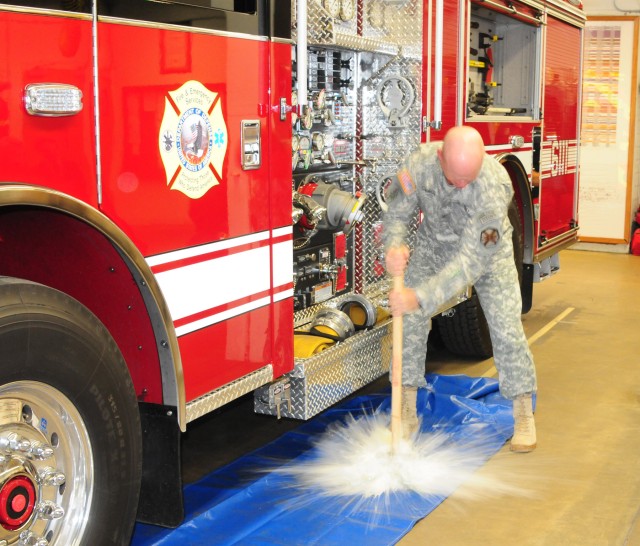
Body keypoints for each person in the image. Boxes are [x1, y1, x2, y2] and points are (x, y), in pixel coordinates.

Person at [383, 125, 537, 452]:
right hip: (434, 245)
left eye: (470, 176)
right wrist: (395, 245)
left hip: (485, 255)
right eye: (456, 177)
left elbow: (470, 263)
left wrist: (420, 296)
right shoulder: (419, 165)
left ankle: (523, 412)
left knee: (506, 327)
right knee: (408, 321)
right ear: (440, 157)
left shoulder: (494, 184)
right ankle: (406, 412)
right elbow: (397, 211)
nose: (463, 184)